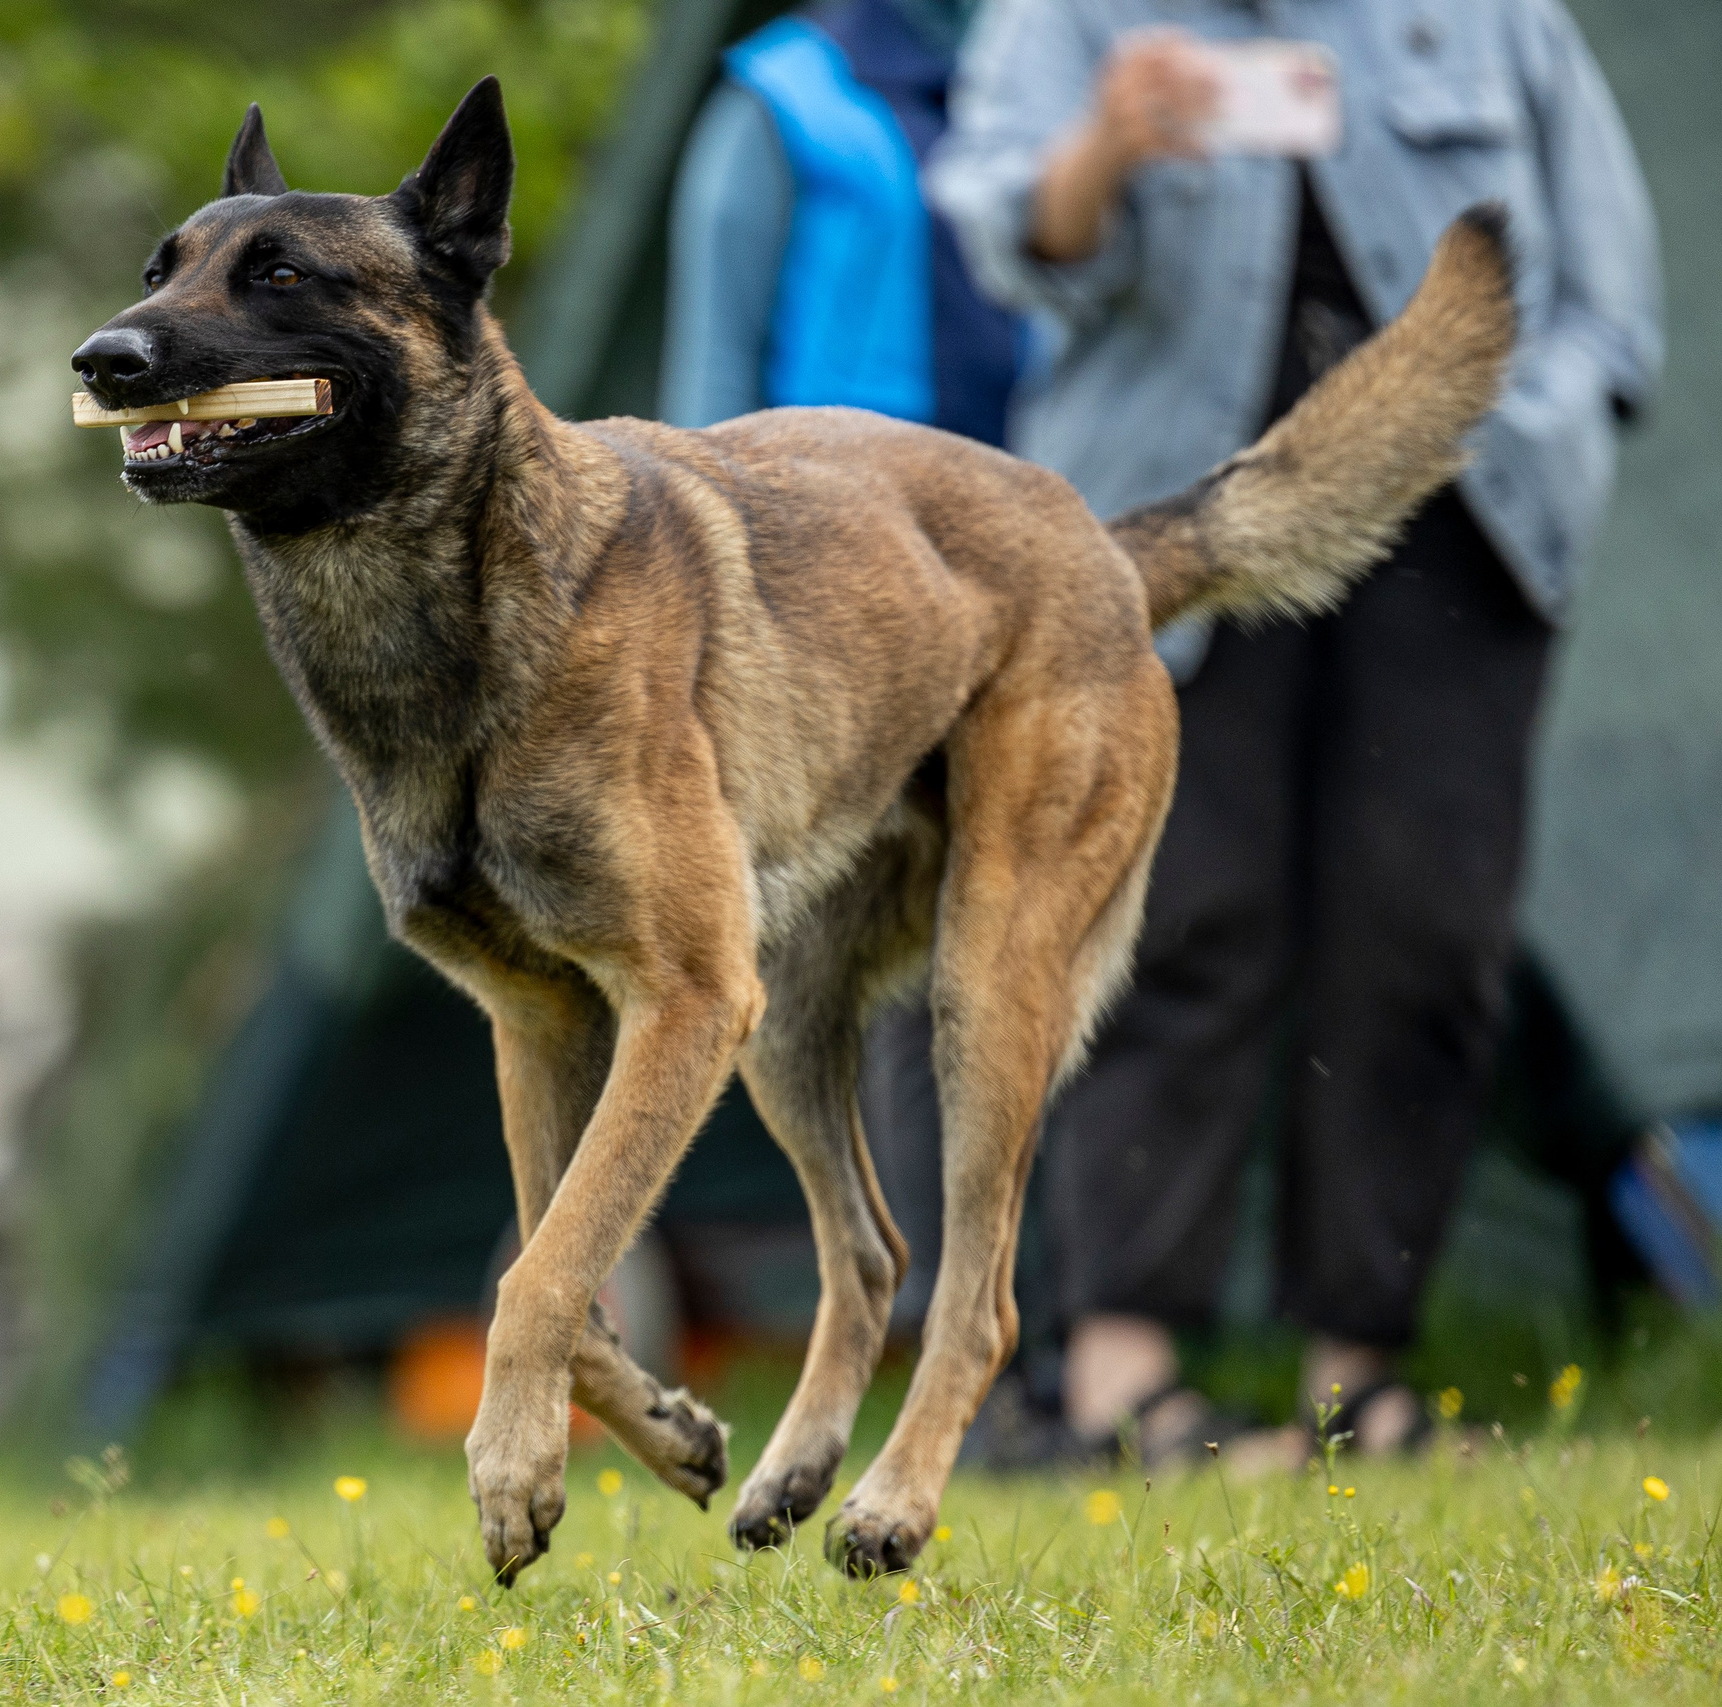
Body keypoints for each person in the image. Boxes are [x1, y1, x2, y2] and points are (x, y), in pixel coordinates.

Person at [928, 0, 1660, 1466]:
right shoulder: (1070, 15)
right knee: (1172, 924)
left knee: (1423, 936)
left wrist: (1555, 420)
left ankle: (1359, 1386)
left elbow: (1610, 282)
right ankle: (1122, 1379)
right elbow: (1009, 237)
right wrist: (1107, 148)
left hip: (1463, 529)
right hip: (1169, 517)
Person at [662, 0, 1023, 1337]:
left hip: (1015, 568)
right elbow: (707, 389)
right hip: (831, 605)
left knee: (1022, 951)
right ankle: (944, 1330)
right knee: (891, 965)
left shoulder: (1030, 68)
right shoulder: (776, 104)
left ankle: (1072, 1340)